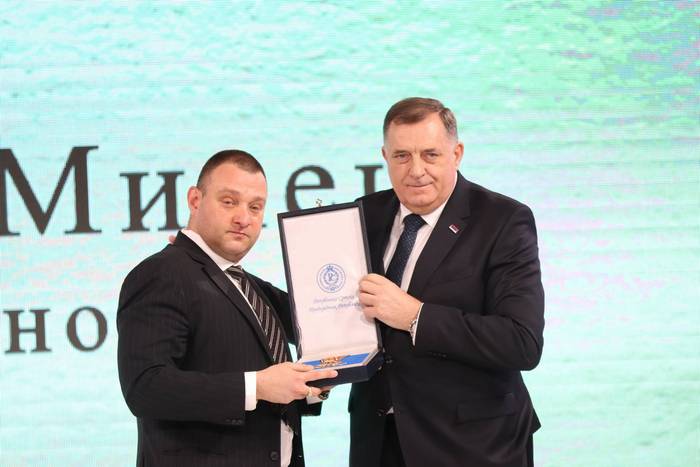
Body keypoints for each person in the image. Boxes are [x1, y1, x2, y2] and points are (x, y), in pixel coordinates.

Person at [350, 98, 545, 467]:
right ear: (385, 156)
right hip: (378, 443)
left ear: (457, 154)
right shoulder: (363, 213)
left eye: (430, 155)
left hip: (472, 446)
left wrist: (416, 317)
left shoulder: (504, 220)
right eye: (402, 156)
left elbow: (522, 342)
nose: (416, 170)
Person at [117, 150, 336, 467]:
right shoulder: (162, 273)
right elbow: (146, 387)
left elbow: (272, 385)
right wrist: (257, 386)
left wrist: (311, 387)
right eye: (229, 201)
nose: (243, 218)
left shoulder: (250, 286)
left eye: (255, 207)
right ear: (195, 200)